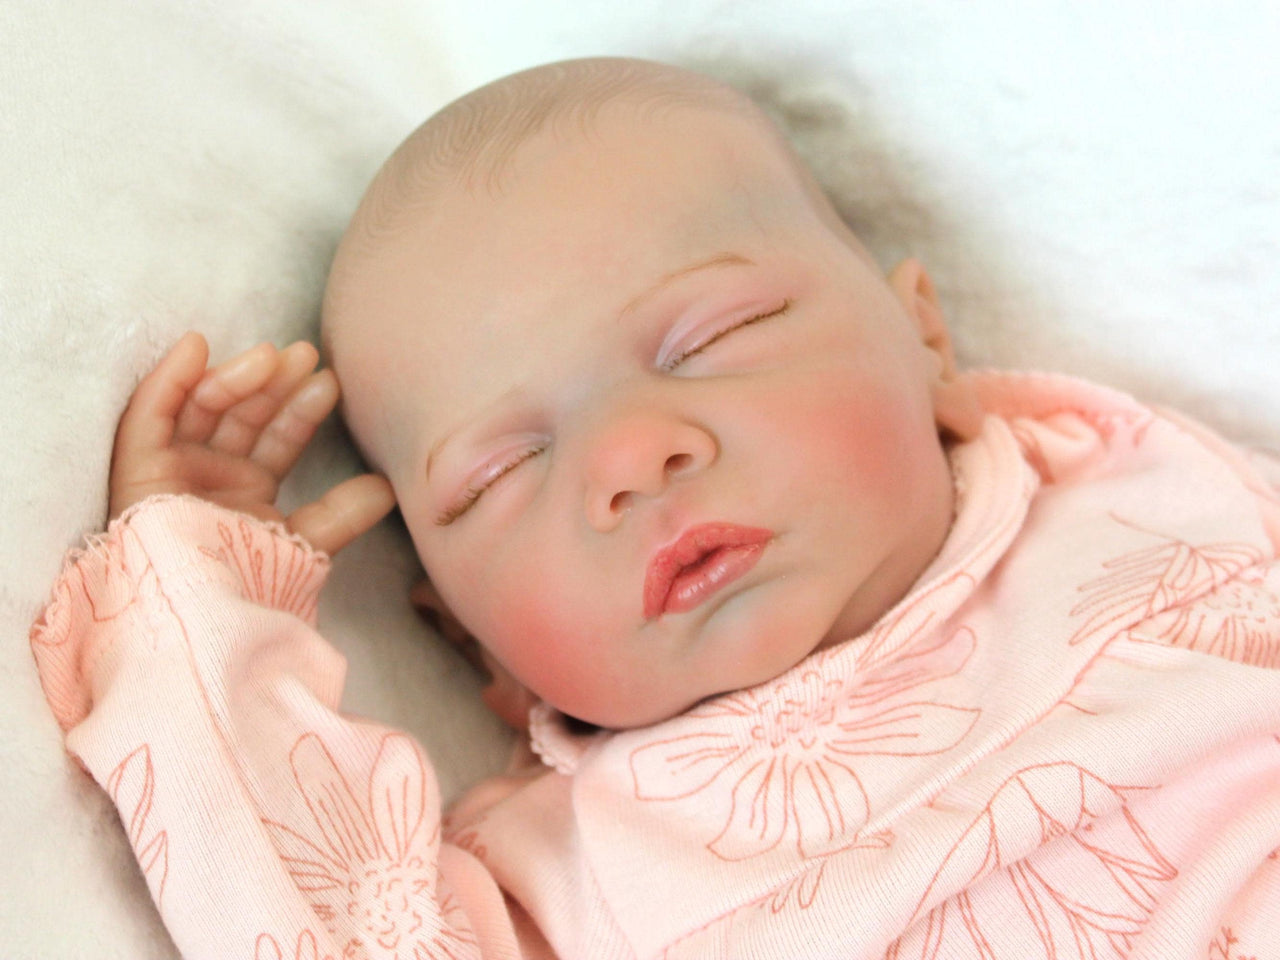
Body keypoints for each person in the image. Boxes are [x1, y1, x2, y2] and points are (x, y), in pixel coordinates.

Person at [31, 57, 1280, 959]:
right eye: (497, 475)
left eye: (713, 338)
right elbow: (300, 906)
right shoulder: (562, 873)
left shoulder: (1148, 504)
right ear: (469, 642)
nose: (627, 457)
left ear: (923, 339)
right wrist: (191, 595)